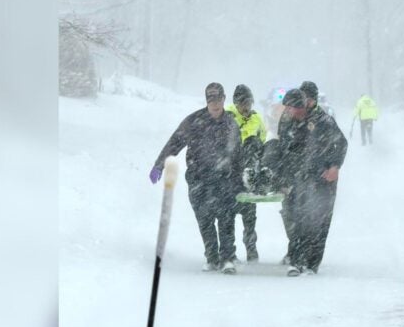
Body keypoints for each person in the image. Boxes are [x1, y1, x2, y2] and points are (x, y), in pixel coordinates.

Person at [148, 83, 242, 274]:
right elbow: (174, 143)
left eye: (218, 100)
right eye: (210, 100)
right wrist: (159, 164)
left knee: (226, 219)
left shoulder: (231, 123)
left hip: (224, 179)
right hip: (199, 178)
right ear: (206, 101)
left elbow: (239, 156)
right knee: (205, 219)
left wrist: (240, 181)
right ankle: (211, 257)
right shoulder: (194, 122)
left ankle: (227, 258)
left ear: (224, 99)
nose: (214, 104)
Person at [276, 82, 348, 276]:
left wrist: (334, 166)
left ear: (313, 100)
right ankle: (295, 255)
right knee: (293, 215)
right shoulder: (288, 117)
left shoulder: (324, 120)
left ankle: (310, 263)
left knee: (317, 220)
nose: (304, 101)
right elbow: (284, 146)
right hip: (297, 177)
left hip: (322, 178)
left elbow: (341, 143)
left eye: (307, 98)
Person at [225, 84, 267, 263]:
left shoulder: (256, 119)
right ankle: (229, 252)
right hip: (231, 170)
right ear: (236, 103)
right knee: (228, 215)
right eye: (243, 103)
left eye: (249, 102)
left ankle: (251, 248)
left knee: (250, 216)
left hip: (249, 169)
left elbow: (262, 139)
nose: (246, 107)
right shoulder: (227, 117)